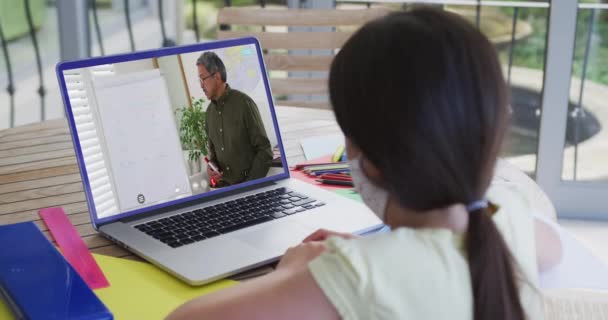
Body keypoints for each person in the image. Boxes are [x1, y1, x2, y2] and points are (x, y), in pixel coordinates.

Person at [168, 8, 562, 320]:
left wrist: (295, 274)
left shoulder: (356, 278)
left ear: (369, 162)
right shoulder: (505, 214)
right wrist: (383, 253)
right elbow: (552, 249)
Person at [196, 51, 272, 186]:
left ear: (217, 76)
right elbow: (213, 157)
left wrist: (248, 187)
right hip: (224, 191)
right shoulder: (208, 114)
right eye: (199, 80)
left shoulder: (244, 104)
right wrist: (211, 168)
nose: (201, 85)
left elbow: (264, 151)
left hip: (248, 191)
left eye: (203, 78)